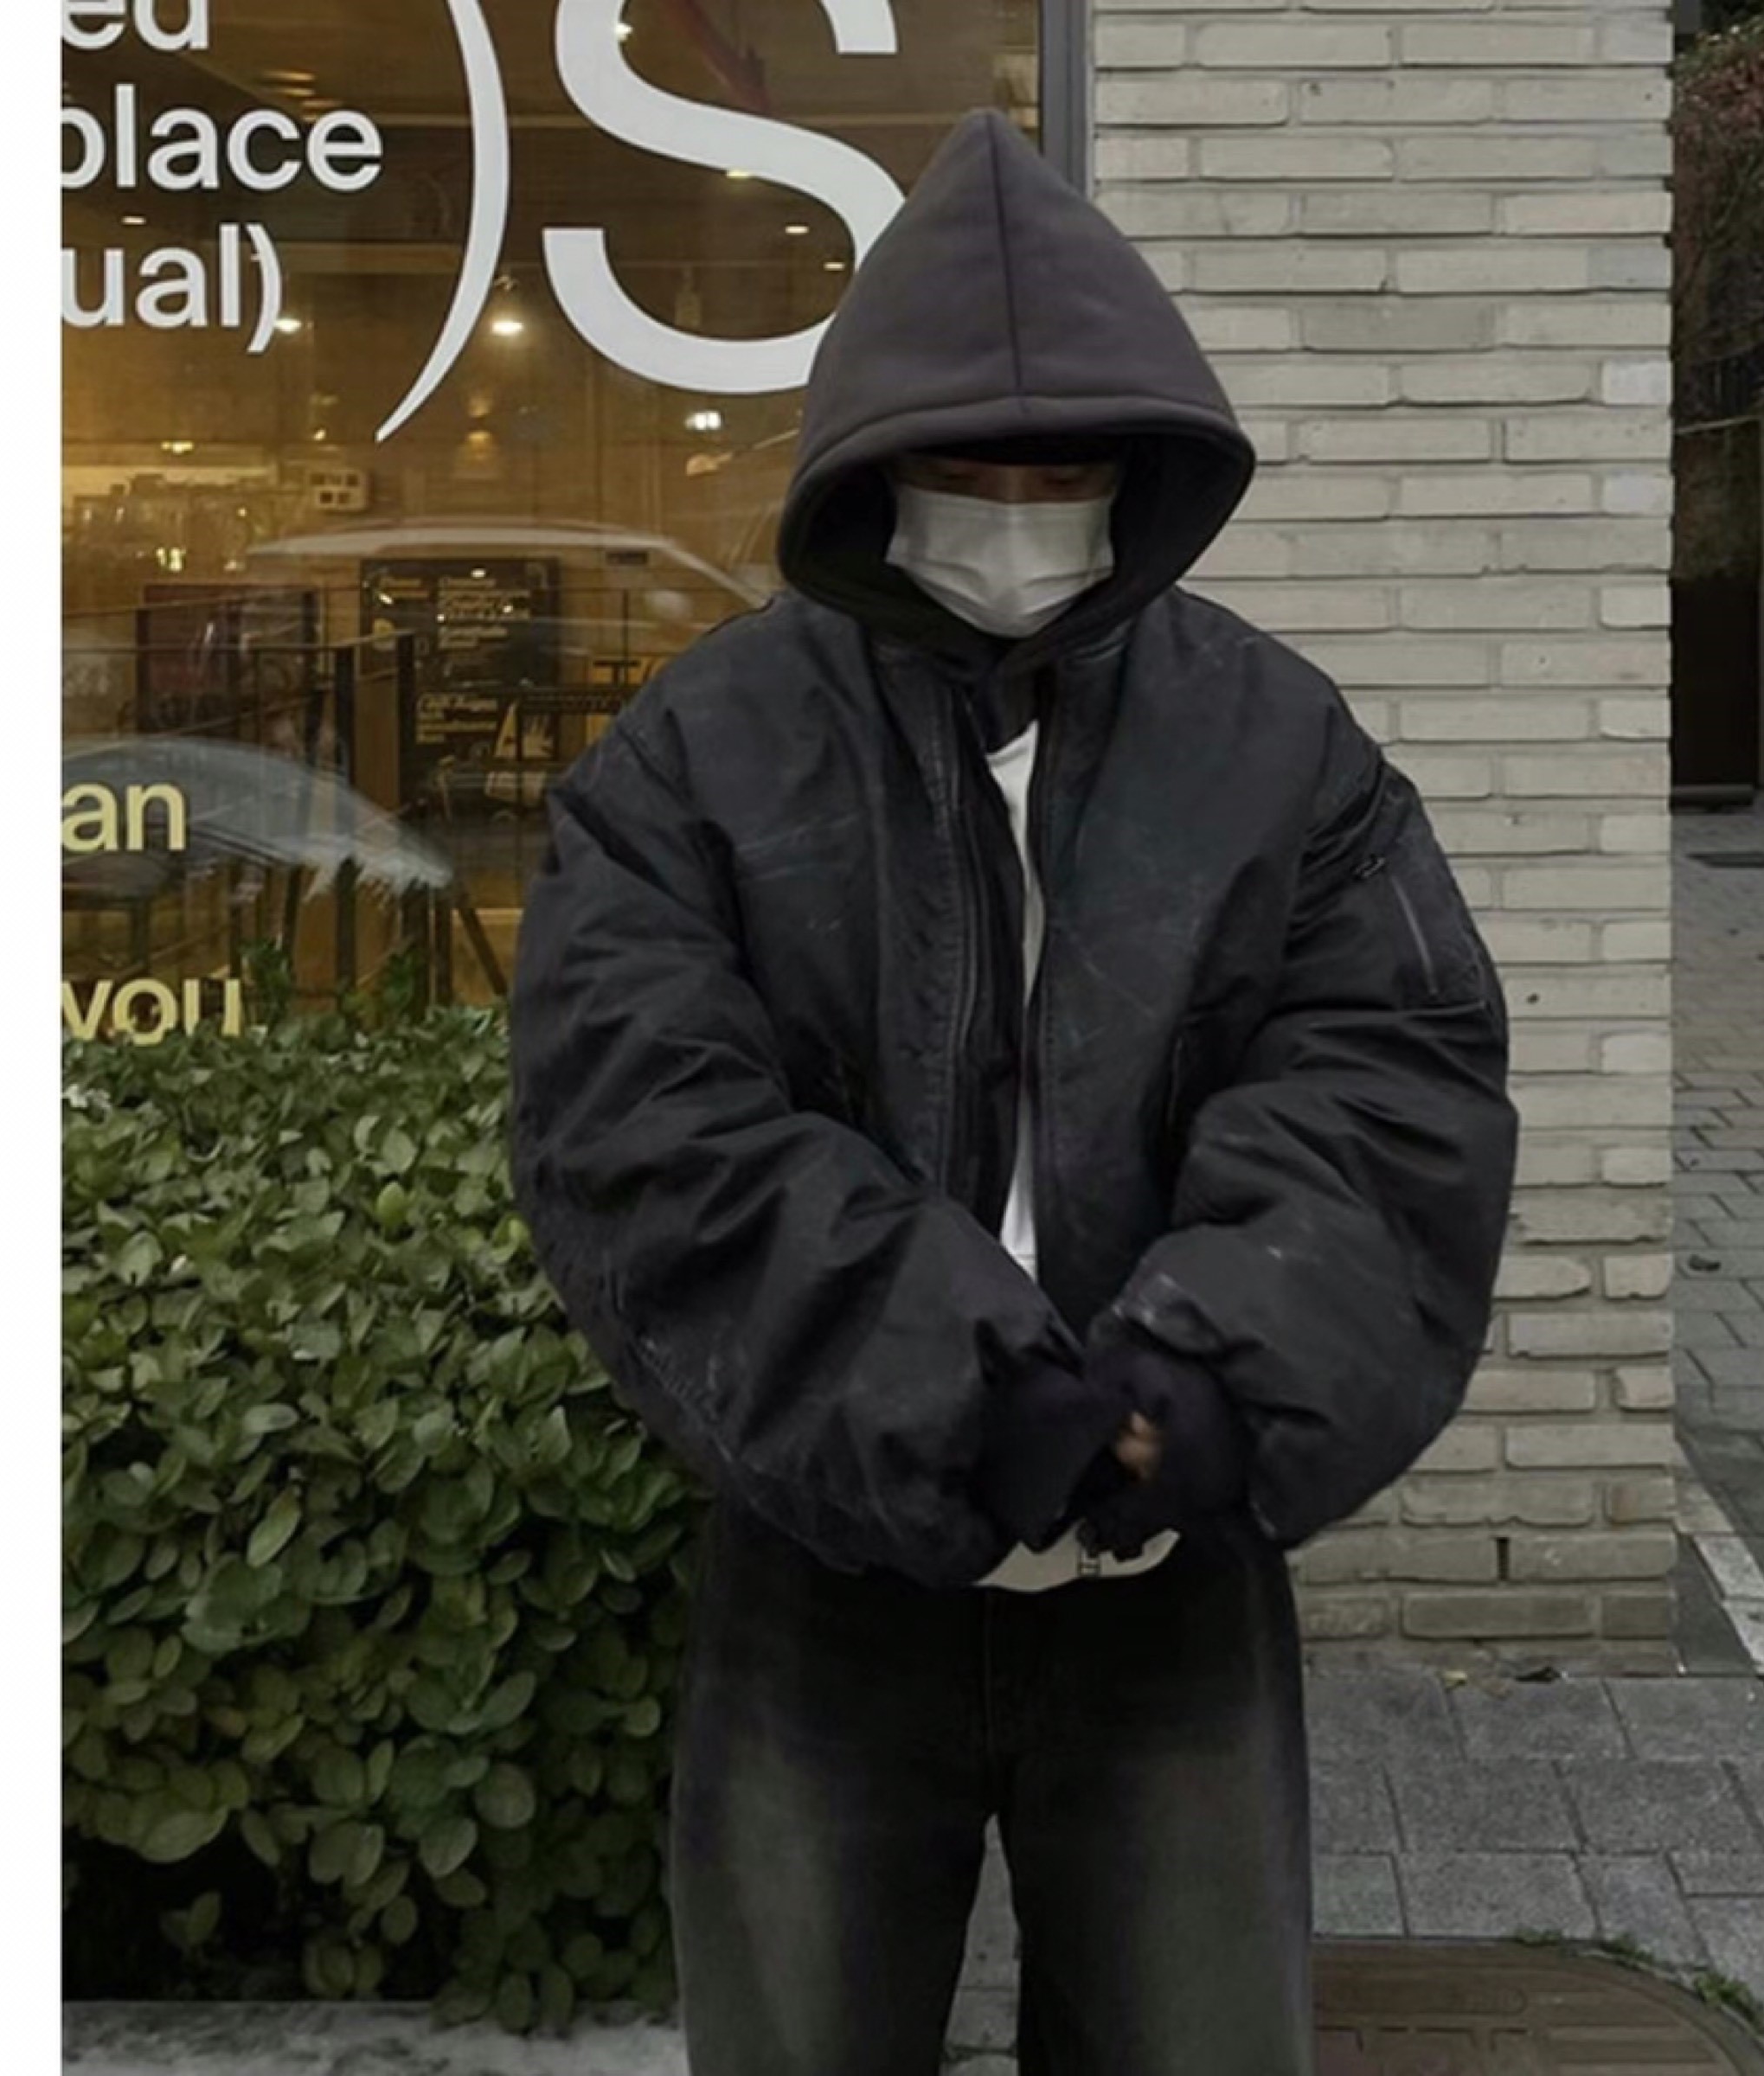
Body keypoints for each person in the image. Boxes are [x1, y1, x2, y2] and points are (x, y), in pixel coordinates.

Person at [508, 107, 1517, 2076]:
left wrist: (1210, 1377)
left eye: (1064, 466)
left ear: (1140, 466)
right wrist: (958, 1384)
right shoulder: (700, 759)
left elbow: (1390, 1075)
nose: (1017, 506)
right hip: (825, 1560)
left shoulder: (1277, 746)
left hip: (1172, 1560)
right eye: (966, 463)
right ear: (871, 466)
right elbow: (636, 1119)